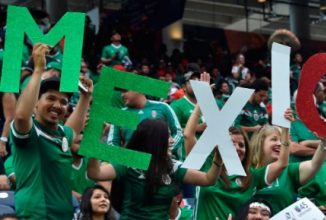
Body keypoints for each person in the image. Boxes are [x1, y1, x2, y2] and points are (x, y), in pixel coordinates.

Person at [11, 44, 92, 219]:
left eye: (63, 102)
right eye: (51, 98)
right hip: (37, 214)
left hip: (63, 214)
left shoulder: (62, 134)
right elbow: (21, 116)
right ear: (36, 104)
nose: (58, 105)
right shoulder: (30, 131)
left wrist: (86, 97)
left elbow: (73, 129)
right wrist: (38, 70)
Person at [88, 119, 223, 219]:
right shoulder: (130, 161)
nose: (171, 141)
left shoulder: (172, 167)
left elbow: (208, 179)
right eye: (167, 137)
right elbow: (95, 173)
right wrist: (95, 139)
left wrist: (218, 158)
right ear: (155, 141)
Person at [185, 106, 290, 219]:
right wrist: (200, 106)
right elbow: (188, 136)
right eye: (231, 143)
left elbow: (282, 163)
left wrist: (285, 130)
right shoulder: (205, 164)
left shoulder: (252, 176)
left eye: (242, 145)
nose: (237, 148)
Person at [250, 115, 326, 214]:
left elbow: (314, 165)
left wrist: (325, 142)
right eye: (274, 139)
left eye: (282, 140)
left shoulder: (287, 171)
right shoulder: (247, 171)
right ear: (260, 143)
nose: (279, 144)